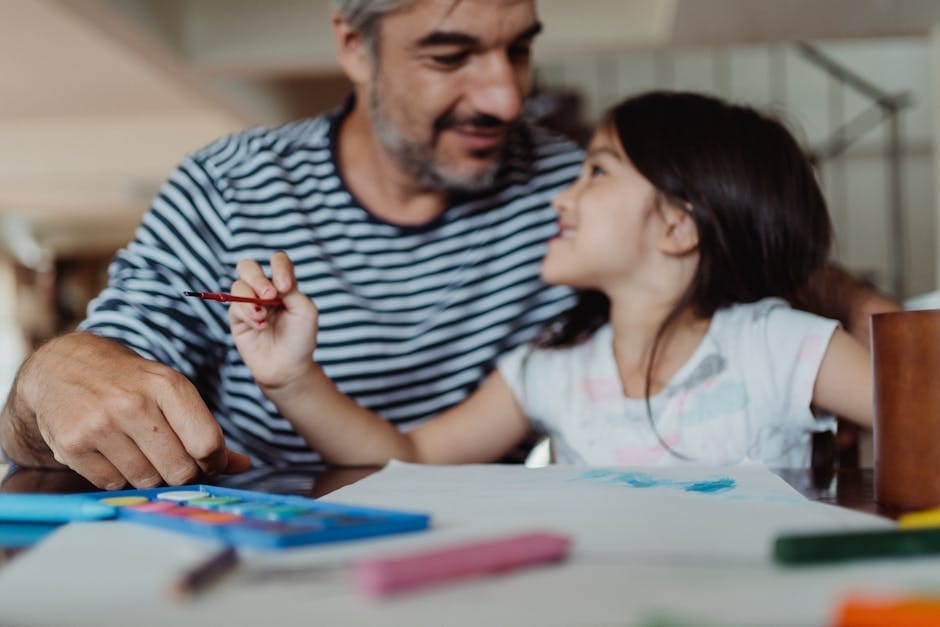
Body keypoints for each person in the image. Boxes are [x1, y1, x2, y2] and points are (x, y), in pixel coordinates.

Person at [0, 0, 891, 489]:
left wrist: (879, 324)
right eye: (449, 54)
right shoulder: (228, 187)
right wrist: (46, 377)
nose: (506, 99)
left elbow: (741, 239)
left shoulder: (565, 188)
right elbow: (85, 379)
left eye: (519, 50)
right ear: (354, 45)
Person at [228, 91, 874, 468]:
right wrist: (293, 377)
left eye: (596, 172)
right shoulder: (552, 370)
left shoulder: (782, 346)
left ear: (679, 226)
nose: (561, 198)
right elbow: (407, 455)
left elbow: (919, 417)